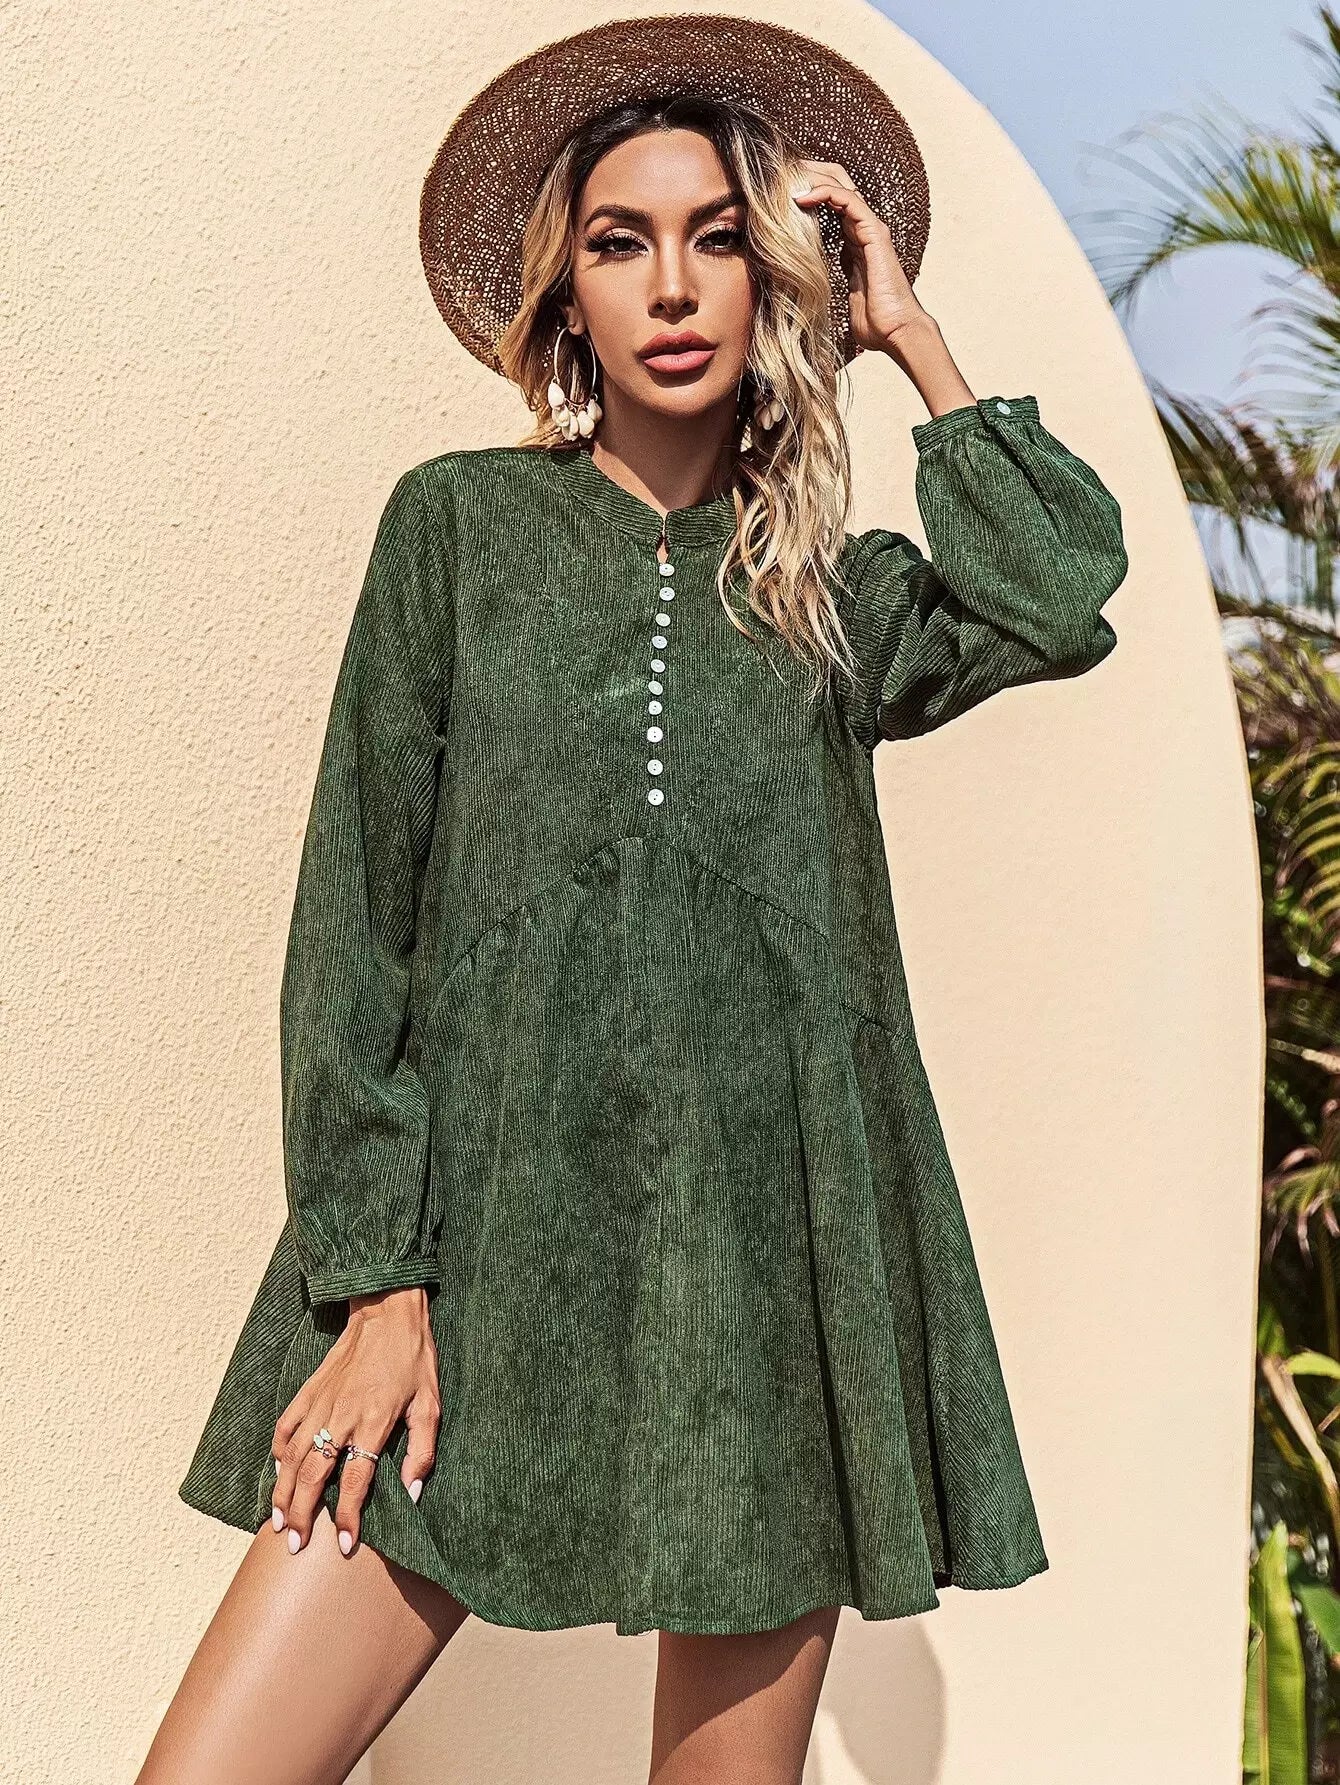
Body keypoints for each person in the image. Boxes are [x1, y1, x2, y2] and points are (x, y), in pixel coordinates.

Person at [141, 15, 1128, 1784]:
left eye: (719, 239)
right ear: (567, 296)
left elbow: (1055, 593)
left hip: (768, 1281)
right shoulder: (455, 532)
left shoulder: (834, 591)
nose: (672, 285)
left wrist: (907, 329)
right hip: (460, 1267)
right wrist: (376, 1285)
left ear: (777, 282)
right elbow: (353, 924)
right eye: (620, 242)